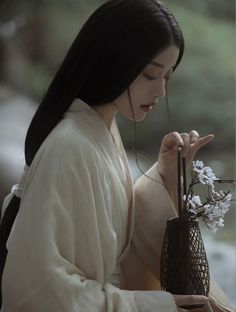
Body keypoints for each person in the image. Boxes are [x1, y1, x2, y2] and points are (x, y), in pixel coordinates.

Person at [0, 0, 234, 311]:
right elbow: (40, 289)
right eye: (151, 75)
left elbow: (117, 225)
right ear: (113, 62)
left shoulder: (101, 129)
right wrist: (153, 306)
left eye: (167, 77)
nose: (161, 92)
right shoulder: (68, 146)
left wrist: (164, 174)